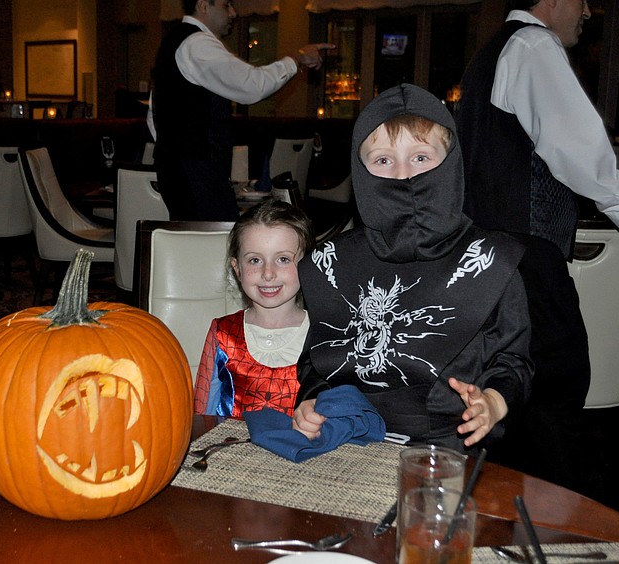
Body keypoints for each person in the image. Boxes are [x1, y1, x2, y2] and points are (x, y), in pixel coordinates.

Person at [454, 0, 619, 492]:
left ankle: (504, 514)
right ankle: (562, 529)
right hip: (524, 255)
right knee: (557, 387)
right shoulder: (531, 43)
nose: (589, 10)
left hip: (484, 257)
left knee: (512, 393)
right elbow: (575, 143)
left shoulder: (490, 52)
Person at [291, 84, 533, 454]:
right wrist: (312, 398)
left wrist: (495, 401)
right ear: (361, 171)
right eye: (383, 160)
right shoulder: (332, 263)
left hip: (451, 449)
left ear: (449, 163)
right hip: (349, 442)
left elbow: (513, 358)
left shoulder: (489, 260)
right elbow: (317, 358)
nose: (404, 175)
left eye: (420, 158)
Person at [149, 0, 334, 221]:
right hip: (198, 171)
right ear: (203, 5)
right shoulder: (197, 43)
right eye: (226, 5)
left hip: (180, 170)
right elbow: (253, 85)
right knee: (218, 244)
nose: (233, 13)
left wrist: (174, 153)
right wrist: (297, 58)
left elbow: (154, 115)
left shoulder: (173, 41)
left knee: (197, 244)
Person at [194, 199, 315, 417]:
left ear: (308, 265)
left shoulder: (323, 334)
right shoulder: (222, 333)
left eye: (283, 259)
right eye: (255, 260)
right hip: (231, 450)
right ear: (237, 268)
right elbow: (202, 414)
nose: (268, 273)